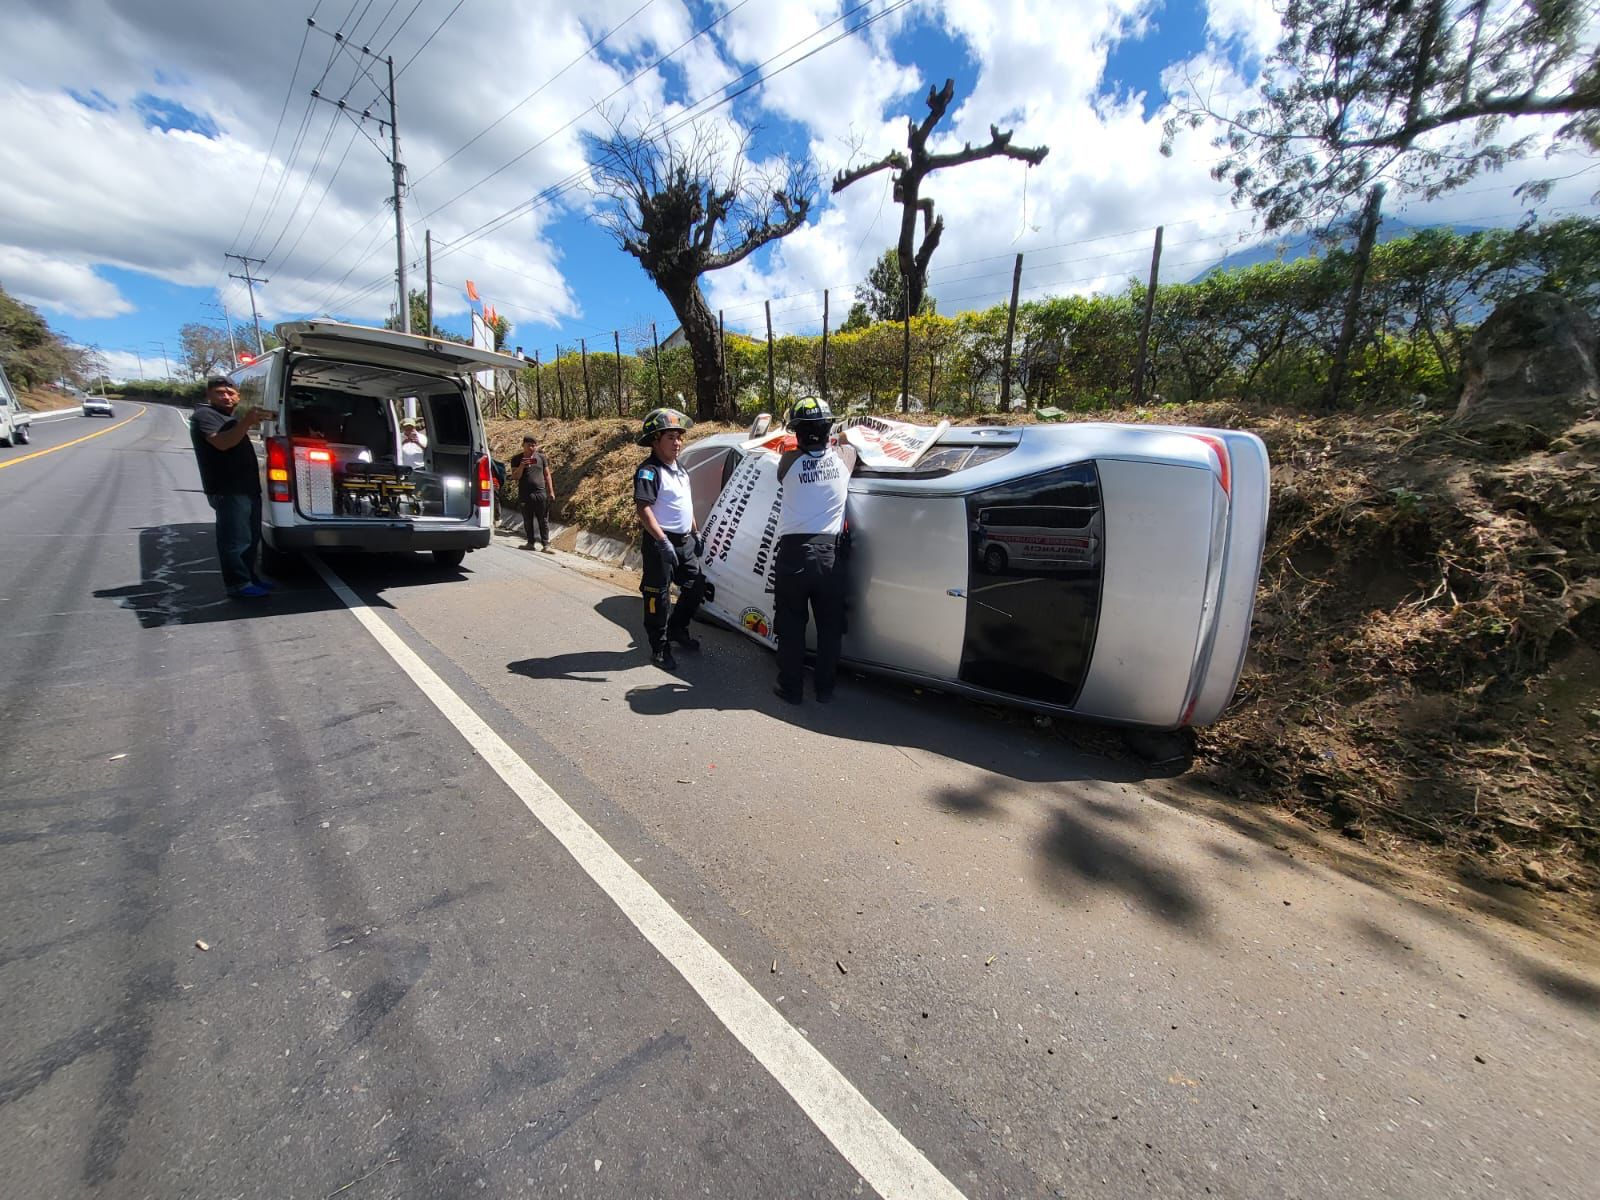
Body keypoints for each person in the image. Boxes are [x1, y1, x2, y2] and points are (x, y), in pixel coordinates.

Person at [771, 397, 856, 703]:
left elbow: (788, 457)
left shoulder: (787, 463)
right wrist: (839, 436)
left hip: (793, 555)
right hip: (829, 556)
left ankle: (791, 690)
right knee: (830, 629)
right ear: (828, 428)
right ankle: (824, 690)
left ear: (798, 432)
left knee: (792, 626)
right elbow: (849, 444)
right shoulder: (843, 458)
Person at [633, 407, 706, 670]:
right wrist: (662, 541)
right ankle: (659, 647)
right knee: (658, 596)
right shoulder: (649, 471)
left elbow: (685, 505)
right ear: (655, 441)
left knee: (696, 586)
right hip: (659, 541)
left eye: (679, 437)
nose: (677, 443)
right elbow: (643, 508)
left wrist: (695, 531)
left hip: (684, 540)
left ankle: (678, 629)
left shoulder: (681, 470)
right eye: (670, 438)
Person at [190, 377, 272, 599]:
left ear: (238, 396)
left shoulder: (230, 417)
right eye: (219, 392)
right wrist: (246, 422)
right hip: (228, 489)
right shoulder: (205, 415)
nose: (226, 396)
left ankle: (249, 578)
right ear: (209, 395)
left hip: (247, 488)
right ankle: (238, 584)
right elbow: (222, 442)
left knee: (251, 538)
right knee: (235, 540)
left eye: (230, 392)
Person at [511, 433, 556, 552]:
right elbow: (515, 477)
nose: (532, 448)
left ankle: (546, 544)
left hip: (540, 493)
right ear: (523, 445)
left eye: (534, 446)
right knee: (527, 519)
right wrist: (522, 465)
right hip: (525, 494)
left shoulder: (541, 457)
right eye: (529, 445)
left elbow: (547, 475)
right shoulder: (516, 459)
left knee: (543, 519)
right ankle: (530, 543)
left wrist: (551, 491)